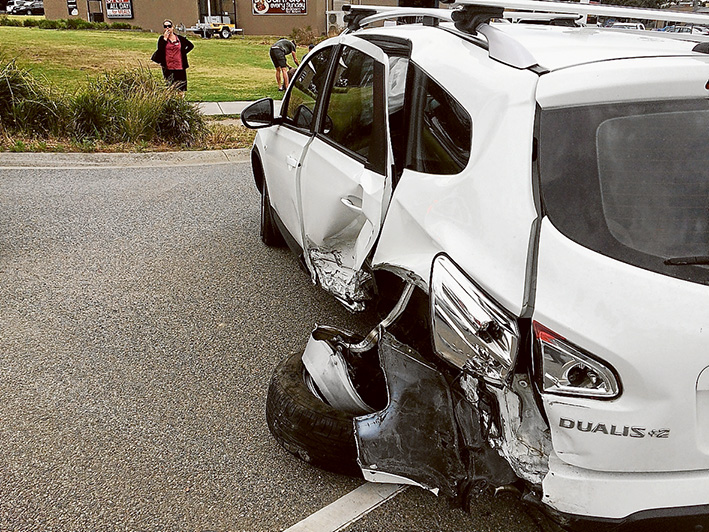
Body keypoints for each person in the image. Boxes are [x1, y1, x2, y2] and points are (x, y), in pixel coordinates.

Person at [151, 19, 194, 91]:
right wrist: (165, 38)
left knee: (181, 86)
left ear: (172, 27)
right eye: (165, 26)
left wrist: (183, 53)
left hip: (179, 65)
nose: (167, 28)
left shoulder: (180, 38)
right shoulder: (162, 39)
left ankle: (180, 100)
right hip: (168, 66)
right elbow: (160, 50)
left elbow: (190, 45)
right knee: (170, 86)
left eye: (169, 26)